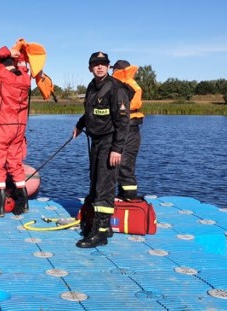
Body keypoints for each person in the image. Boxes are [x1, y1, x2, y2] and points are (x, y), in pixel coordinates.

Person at [73, 51, 132, 248]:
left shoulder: (116, 89)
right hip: (95, 141)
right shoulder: (92, 86)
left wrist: (117, 149)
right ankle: (102, 226)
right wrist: (80, 125)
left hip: (110, 141)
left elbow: (123, 122)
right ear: (90, 68)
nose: (99, 67)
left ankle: (100, 233)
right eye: (96, 64)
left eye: (103, 64)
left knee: (104, 186)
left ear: (108, 67)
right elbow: (90, 111)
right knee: (95, 181)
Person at [0, 42, 32, 217]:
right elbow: (23, 65)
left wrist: (5, 51)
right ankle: (24, 203)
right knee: (15, 163)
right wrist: (18, 54)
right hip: (19, 127)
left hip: (4, 125)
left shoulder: (4, 76)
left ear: (3, 65)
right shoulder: (26, 78)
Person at [111, 60, 143, 200]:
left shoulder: (124, 85)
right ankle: (123, 196)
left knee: (124, 165)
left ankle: (129, 198)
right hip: (128, 128)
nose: (112, 73)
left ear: (118, 70)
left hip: (129, 129)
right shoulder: (128, 83)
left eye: (113, 70)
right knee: (119, 164)